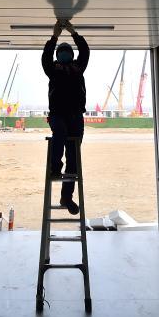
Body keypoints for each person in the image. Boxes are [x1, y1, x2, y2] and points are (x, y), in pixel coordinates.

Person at [41, 19, 90, 214]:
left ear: (71, 55)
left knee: (73, 158)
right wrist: (55, 36)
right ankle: (55, 167)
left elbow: (85, 52)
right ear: (57, 55)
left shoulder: (78, 68)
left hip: (76, 116)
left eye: (66, 51)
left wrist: (73, 33)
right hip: (57, 115)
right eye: (60, 52)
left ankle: (66, 197)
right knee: (59, 134)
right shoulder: (52, 69)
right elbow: (46, 57)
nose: (64, 54)